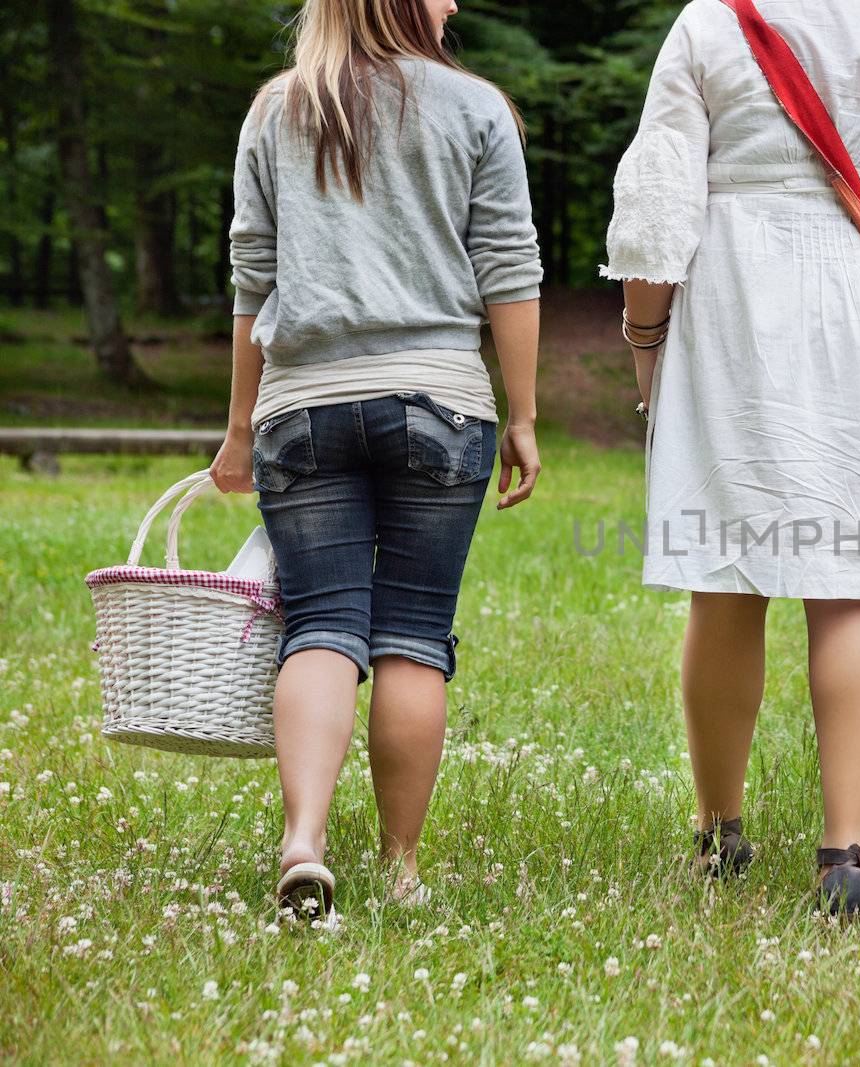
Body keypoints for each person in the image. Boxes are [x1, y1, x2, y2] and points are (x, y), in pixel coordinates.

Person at [601, 0, 860, 916]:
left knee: (727, 579)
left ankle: (720, 832)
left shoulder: (708, 24)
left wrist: (645, 333)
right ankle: (845, 849)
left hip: (734, 299)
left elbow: (659, 201)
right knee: (852, 585)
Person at [208, 0, 544, 918]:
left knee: (319, 626)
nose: (455, 4)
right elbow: (509, 269)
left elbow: (254, 278)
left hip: (300, 407)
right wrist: (522, 412)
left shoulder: (277, 108)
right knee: (412, 636)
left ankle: (304, 839)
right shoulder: (477, 110)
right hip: (440, 399)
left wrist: (240, 428)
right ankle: (400, 870)